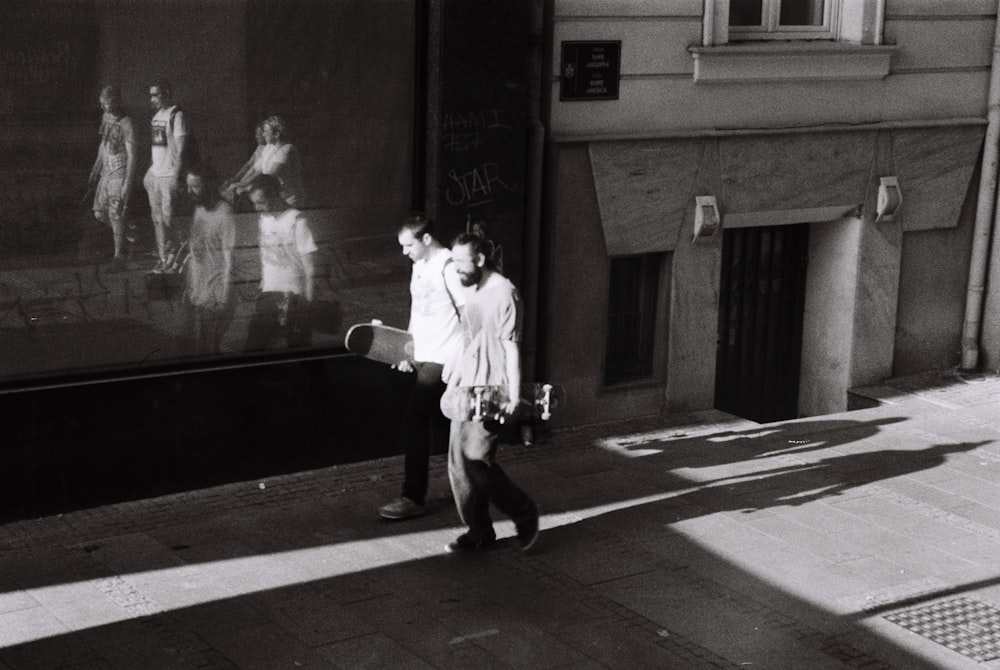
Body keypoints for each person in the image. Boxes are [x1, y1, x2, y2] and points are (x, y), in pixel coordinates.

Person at [442, 232, 539, 553]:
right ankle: (479, 532)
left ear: (481, 259)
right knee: (458, 464)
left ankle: (524, 514)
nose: (455, 268)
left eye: (460, 261)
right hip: (465, 391)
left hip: (491, 393)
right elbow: (470, 338)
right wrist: (455, 372)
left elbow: (512, 349)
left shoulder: (506, 294)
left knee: (478, 464)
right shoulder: (475, 290)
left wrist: (513, 396)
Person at [378, 214, 467, 521]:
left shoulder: (449, 266)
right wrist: (408, 347)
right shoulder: (420, 265)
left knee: (415, 420)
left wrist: (460, 357)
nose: (404, 252)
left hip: (446, 358)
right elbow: (419, 310)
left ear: (426, 239)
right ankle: (471, 486)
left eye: (408, 245)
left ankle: (413, 497)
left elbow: (469, 313)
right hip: (425, 355)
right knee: (448, 423)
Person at [244, 173, 317, 351]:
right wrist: (262, 284)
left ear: (275, 195)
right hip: (269, 293)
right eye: (254, 203)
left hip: (293, 295)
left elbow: (310, 268)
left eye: (261, 202)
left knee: (300, 348)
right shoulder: (265, 219)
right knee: (253, 346)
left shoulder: (297, 220)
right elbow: (266, 255)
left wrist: (308, 302)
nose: (257, 208)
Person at [184, 165, 236, 355]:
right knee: (196, 346)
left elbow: (229, 257)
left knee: (207, 348)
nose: (190, 192)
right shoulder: (198, 209)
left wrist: (223, 295)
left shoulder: (225, 214)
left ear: (209, 186)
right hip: (195, 288)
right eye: (188, 186)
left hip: (213, 291)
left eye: (195, 187)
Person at [85, 85, 136, 268]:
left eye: (105, 103)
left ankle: (118, 255)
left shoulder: (126, 123)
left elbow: (132, 155)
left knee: (115, 213)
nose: (103, 107)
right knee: (99, 213)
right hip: (106, 171)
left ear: (115, 101)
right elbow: (103, 144)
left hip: (119, 171)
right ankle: (127, 230)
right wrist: (96, 167)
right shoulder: (105, 118)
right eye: (101, 103)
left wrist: (127, 182)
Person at [143, 78, 190, 272]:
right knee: (157, 219)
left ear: (167, 94)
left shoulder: (176, 115)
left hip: (170, 174)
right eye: (151, 95)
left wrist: (176, 175)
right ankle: (163, 256)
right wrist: (151, 174)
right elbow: (158, 147)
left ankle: (180, 248)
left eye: (156, 94)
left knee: (169, 217)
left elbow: (180, 149)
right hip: (156, 174)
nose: (153, 99)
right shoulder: (156, 117)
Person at [234, 115, 306, 208]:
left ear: (276, 134)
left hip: (290, 201)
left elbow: (269, 176)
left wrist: (245, 186)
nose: (263, 135)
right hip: (277, 200)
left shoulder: (287, 149)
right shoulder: (268, 147)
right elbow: (259, 169)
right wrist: (242, 183)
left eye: (265, 131)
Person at [222, 121, 266, 206]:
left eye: (259, 134)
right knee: (227, 188)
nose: (256, 136)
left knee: (237, 194)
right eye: (256, 133)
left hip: (257, 182)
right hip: (249, 179)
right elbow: (248, 165)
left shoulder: (269, 151)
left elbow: (259, 171)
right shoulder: (260, 147)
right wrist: (235, 178)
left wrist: (243, 183)